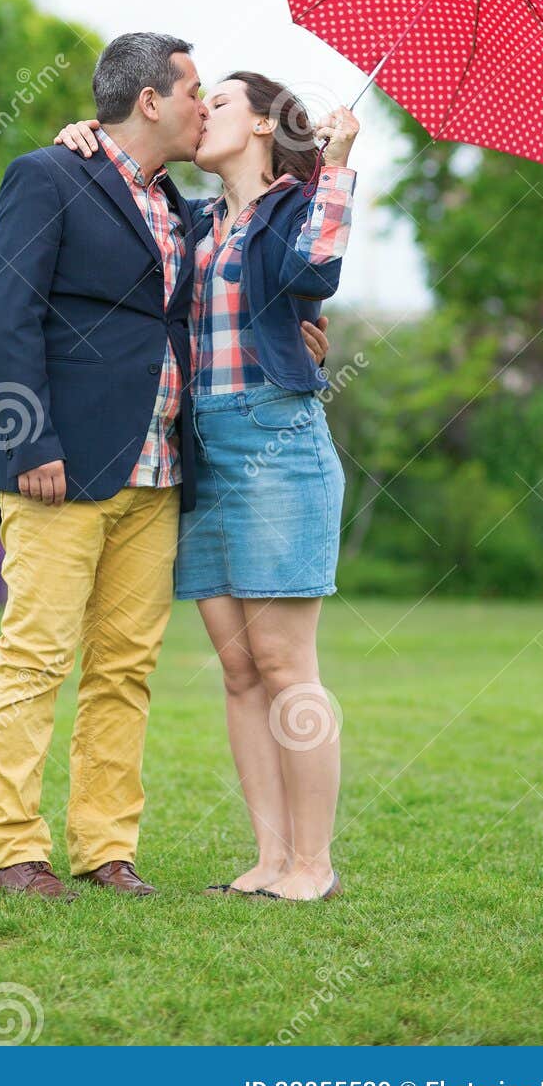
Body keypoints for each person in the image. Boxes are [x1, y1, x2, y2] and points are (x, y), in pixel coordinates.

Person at [0, 34, 329, 903]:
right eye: (194, 90)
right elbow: (6, 311)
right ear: (149, 103)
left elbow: (270, 264)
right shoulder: (49, 175)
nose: (204, 104)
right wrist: (31, 441)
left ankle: (105, 849)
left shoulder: (183, 209)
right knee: (35, 659)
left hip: (162, 475)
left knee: (123, 670)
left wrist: (306, 327)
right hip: (63, 463)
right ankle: (15, 848)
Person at [55, 70, 358, 902]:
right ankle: (268, 859)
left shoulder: (296, 204)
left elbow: (316, 274)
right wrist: (88, 136)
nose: (200, 109)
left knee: (287, 665)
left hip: (277, 441)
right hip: (204, 452)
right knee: (237, 669)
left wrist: (334, 165)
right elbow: (123, 208)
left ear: (262, 124)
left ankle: (312, 865)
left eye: (218, 100)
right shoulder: (193, 222)